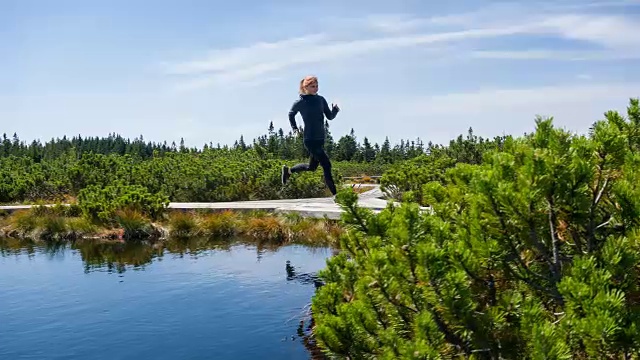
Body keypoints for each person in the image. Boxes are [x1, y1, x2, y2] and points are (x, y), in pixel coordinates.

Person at [281, 75, 340, 196]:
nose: (316, 88)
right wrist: (294, 128)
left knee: (311, 167)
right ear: (305, 87)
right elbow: (291, 114)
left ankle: (289, 171)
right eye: (313, 86)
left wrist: (335, 110)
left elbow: (329, 116)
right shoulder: (301, 102)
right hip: (310, 140)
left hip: (320, 138)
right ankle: (336, 195)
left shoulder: (321, 100)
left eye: (317, 86)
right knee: (326, 165)